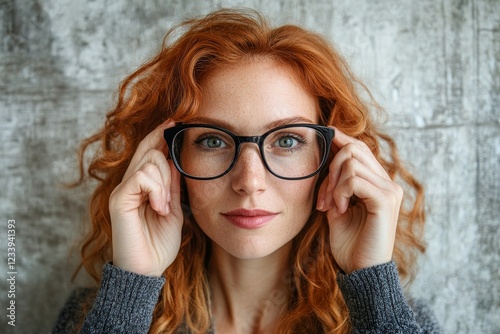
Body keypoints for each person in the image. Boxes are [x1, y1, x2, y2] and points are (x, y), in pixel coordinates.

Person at [53, 8, 440, 334]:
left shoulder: (399, 322)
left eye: (287, 141)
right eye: (213, 141)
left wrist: (373, 290)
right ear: (170, 158)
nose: (249, 182)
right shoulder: (95, 318)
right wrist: (131, 287)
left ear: (332, 158)